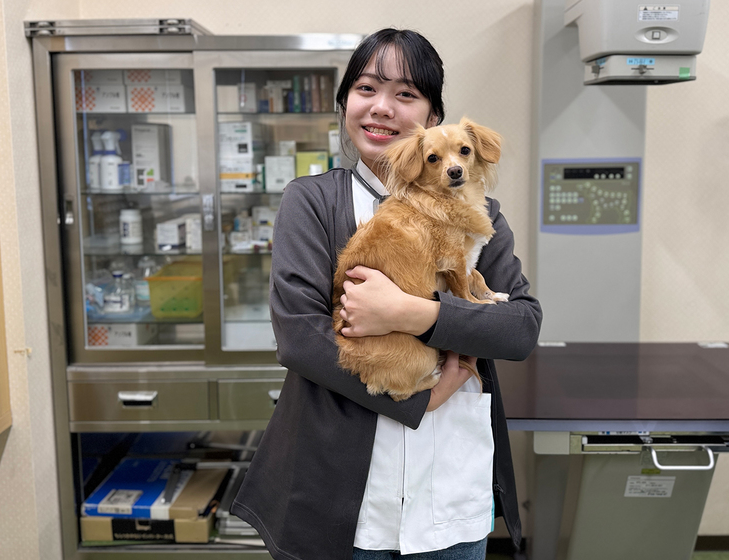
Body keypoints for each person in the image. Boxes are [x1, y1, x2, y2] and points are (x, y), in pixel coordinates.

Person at [231, 28, 542, 560]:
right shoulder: (312, 201)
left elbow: (519, 329)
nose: (381, 108)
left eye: (405, 94)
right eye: (366, 88)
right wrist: (421, 399)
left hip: (450, 494)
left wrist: (410, 312)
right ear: (345, 103)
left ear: (432, 117)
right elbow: (301, 339)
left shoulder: (479, 214)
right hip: (340, 498)